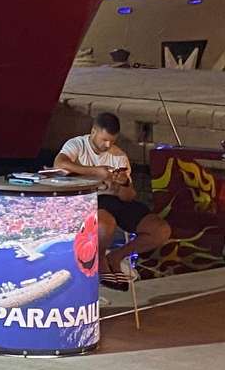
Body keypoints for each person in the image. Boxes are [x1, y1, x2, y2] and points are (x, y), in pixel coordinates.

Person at [52, 112, 171, 280]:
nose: (107, 145)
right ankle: (100, 261)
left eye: (112, 141)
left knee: (160, 230)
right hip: (90, 198)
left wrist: (124, 183)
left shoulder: (119, 156)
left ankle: (117, 256)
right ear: (94, 131)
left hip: (114, 199)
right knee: (105, 224)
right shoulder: (77, 145)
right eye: (104, 140)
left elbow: (128, 197)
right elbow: (59, 164)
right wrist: (96, 172)